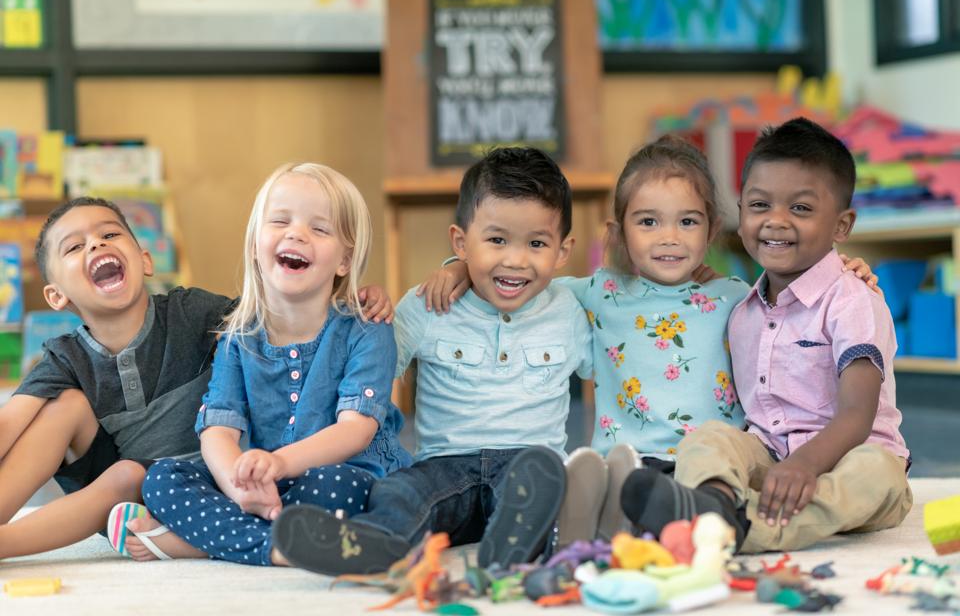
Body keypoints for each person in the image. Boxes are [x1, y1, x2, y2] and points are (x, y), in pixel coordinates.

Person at [417, 135, 880, 546]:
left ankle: (668, 519)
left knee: (702, 486)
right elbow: (517, 276)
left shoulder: (738, 298)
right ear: (619, 234)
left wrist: (848, 270)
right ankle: (609, 519)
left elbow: (798, 295)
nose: (669, 239)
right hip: (627, 462)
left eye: (687, 222)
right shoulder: (596, 293)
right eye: (648, 222)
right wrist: (457, 266)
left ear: (712, 230)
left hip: (708, 468)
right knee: (606, 489)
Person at [271, 147, 593, 575]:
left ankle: (514, 543)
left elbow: (632, 304)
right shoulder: (427, 306)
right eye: (496, 240)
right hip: (444, 467)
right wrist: (370, 308)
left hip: (527, 464)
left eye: (536, 244)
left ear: (563, 250)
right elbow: (370, 362)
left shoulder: (571, 309)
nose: (515, 260)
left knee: (546, 487)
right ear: (461, 242)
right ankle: (372, 543)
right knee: (398, 492)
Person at [620, 117, 911, 553]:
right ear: (740, 214)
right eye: (759, 206)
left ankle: (742, 528)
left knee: (873, 476)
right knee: (710, 438)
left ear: (841, 227)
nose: (775, 221)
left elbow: (858, 413)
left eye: (800, 209)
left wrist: (806, 465)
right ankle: (710, 502)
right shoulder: (742, 309)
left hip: (852, 457)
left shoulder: (852, 300)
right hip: (771, 456)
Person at [113, 163, 410, 566]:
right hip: (262, 485)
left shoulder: (366, 329)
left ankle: (204, 541)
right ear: (255, 243)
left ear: (345, 260)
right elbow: (218, 429)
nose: (296, 233)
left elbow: (355, 431)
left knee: (340, 486)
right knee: (163, 478)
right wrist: (238, 486)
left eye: (319, 229)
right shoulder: (238, 337)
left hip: (343, 477)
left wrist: (281, 463)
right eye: (280, 221)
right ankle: (278, 544)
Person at [0, 197, 235, 560]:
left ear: (144, 260)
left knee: (127, 472)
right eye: (75, 246)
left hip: (207, 483)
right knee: (66, 405)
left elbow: (271, 315)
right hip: (117, 503)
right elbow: (8, 425)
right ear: (56, 296)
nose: (96, 243)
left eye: (109, 233)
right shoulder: (66, 355)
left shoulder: (191, 312)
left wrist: (341, 299)